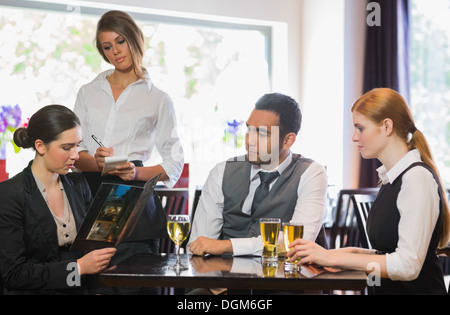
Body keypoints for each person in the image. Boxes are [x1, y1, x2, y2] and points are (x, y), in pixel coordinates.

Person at [287, 88, 450, 295]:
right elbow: (385, 252)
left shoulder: (416, 178)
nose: (354, 137)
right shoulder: (391, 179)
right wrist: (338, 255)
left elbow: (408, 266)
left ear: (387, 126)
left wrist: (332, 258)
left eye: (360, 128)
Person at [73, 10, 184, 262]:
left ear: (134, 38)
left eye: (120, 41)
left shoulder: (158, 99)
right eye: (107, 46)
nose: (116, 51)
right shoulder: (87, 92)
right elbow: (74, 152)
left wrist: (134, 173)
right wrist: (95, 162)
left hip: (134, 198)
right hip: (86, 196)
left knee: (132, 283)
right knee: (89, 284)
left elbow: (173, 164)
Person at [188, 93, 328, 257]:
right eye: (249, 129)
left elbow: (296, 244)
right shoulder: (221, 172)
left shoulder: (311, 173)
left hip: (284, 279)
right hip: (225, 279)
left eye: (262, 134)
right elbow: (199, 244)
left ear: (288, 141)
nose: (249, 141)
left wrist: (228, 246)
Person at [0, 105, 116, 295]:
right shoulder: (9, 194)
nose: (75, 155)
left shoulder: (78, 184)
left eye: (77, 145)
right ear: (40, 146)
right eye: (66, 147)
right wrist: (77, 269)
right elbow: (14, 275)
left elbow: (90, 249)